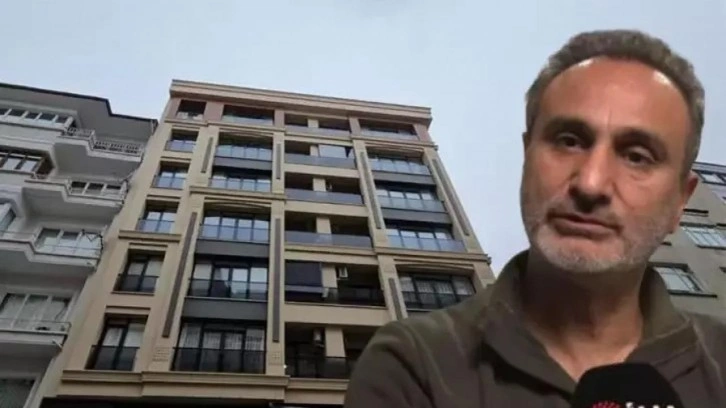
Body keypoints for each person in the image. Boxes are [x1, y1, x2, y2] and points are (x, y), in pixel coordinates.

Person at [344, 29, 726, 407]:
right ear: (527, 156)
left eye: (637, 156)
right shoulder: (413, 362)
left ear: (681, 200)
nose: (590, 183)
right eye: (568, 141)